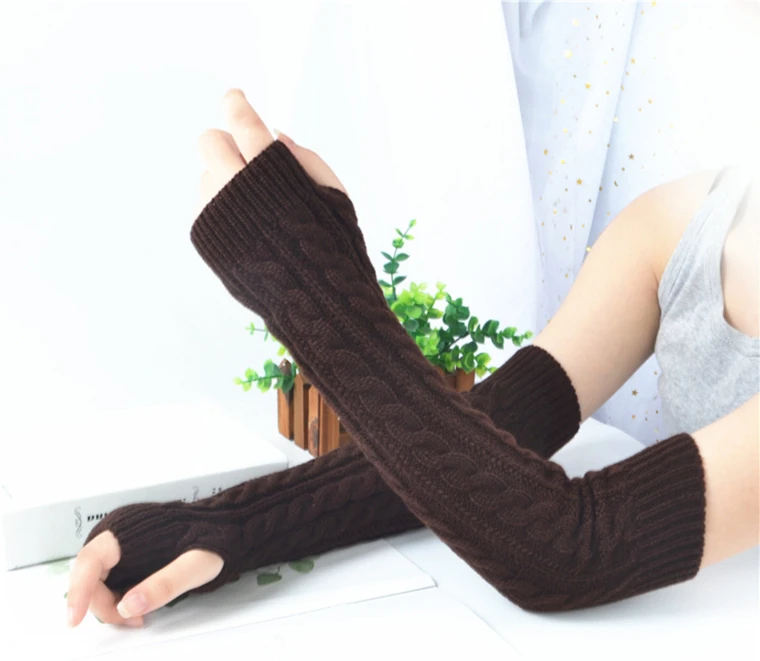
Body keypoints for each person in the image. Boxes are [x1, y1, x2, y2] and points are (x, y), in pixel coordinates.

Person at [65, 89, 758, 629]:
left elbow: (571, 547)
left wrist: (319, 299)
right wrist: (227, 526)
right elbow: (500, 430)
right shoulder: (677, 226)